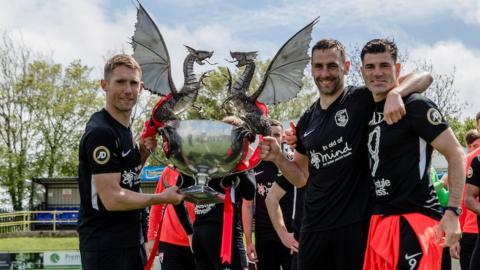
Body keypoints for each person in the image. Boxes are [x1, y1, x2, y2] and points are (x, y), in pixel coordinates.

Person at [260, 39, 433, 270]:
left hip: (355, 226)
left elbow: (425, 77)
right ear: (311, 69)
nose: (325, 73)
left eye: (332, 65)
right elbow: (301, 177)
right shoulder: (307, 120)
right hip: (313, 227)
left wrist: (397, 93)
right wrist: (279, 159)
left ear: (346, 66)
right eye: (318, 66)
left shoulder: (362, 98)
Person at [359, 39, 465, 270]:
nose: (377, 73)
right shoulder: (364, 106)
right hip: (379, 222)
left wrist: (453, 211)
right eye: (370, 67)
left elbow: (456, 153)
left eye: (384, 66)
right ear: (361, 71)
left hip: (416, 219)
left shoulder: (415, 105)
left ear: (397, 70)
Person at [77, 54, 183, 270]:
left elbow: (127, 178)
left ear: (141, 87)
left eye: (133, 83)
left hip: (131, 240)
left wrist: (142, 154)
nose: (128, 89)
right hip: (106, 245)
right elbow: (112, 198)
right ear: (104, 85)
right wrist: (162, 198)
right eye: (120, 82)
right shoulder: (101, 132)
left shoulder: (123, 129)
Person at [243, 119, 295, 270]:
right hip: (263, 236)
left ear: (282, 138)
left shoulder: (291, 162)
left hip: (289, 234)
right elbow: (247, 205)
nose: (273, 138)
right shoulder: (254, 165)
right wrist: (248, 241)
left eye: (277, 134)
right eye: (269, 135)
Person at [265, 141, 306, 270]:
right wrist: (283, 234)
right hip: (303, 239)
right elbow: (271, 198)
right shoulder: (299, 168)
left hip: (337, 235)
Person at [146, 165, 196, 270]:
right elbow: (157, 205)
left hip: (197, 241)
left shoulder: (204, 168)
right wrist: (151, 236)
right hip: (169, 242)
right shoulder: (169, 170)